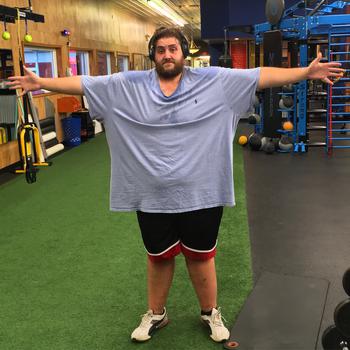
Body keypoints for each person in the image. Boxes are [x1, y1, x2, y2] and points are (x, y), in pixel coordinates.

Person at [7, 26, 343, 344]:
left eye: (173, 48)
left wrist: (304, 73)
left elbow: (259, 76)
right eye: (161, 50)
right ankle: (156, 314)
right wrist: (41, 81)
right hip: (151, 194)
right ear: (152, 55)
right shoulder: (129, 84)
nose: (168, 54)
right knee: (158, 257)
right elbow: (87, 83)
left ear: (183, 52)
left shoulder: (215, 81)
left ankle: (210, 312)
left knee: (201, 257)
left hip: (203, 191)